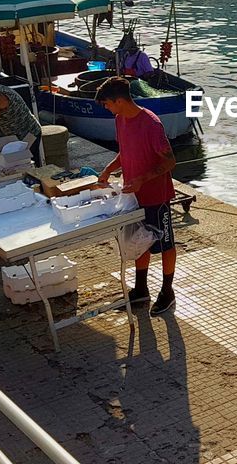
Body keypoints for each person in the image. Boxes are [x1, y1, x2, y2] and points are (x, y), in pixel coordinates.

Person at [95, 77, 178, 315]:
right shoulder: (120, 119)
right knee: (137, 240)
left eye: (108, 104)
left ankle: (167, 291)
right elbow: (125, 150)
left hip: (156, 195)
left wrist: (142, 179)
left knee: (165, 243)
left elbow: (170, 161)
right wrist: (109, 169)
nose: (107, 109)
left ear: (119, 100)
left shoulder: (151, 124)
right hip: (133, 196)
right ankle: (141, 288)